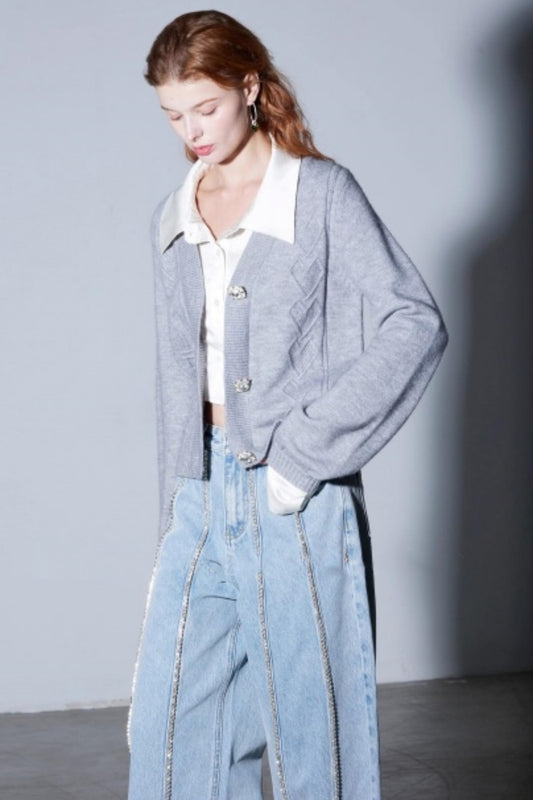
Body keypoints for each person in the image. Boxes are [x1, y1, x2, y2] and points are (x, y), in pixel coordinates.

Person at [126, 9, 448, 800]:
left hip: (293, 497)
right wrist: (176, 505)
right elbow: (178, 377)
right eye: (172, 115)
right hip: (199, 494)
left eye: (205, 108)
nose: (191, 132)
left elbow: (413, 322)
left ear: (248, 86)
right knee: (173, 742)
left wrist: (303, 456)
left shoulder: (319, 193)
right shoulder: (173, 214)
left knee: (315, 746)